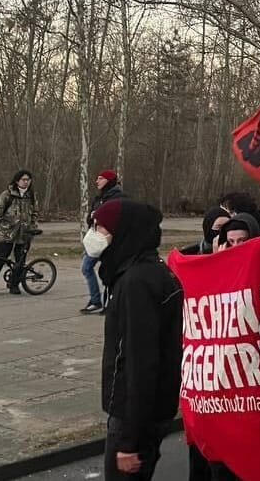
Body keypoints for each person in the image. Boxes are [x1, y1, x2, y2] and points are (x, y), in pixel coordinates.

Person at [86, 199, 182, 480]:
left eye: (100, 227)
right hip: (147, 411)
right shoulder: (142, 272)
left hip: (135, 416)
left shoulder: (136, 283)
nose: (94, 234)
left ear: (125, 232)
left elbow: (140, 363)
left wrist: (129, 440)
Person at [80, 170, 125, 313]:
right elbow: (90, 218)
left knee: (109, 272)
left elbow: (119, 219)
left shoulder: (118, 198)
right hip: (96, 241)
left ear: (109, 180)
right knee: (86, 267)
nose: (97, 181)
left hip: (110, 242)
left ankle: (110, 303)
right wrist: (92, 217)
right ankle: (95, 300)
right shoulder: (98, 198)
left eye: (100, 178)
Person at [0, 169, 39, 296]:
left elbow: (35, 212)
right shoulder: (7, 194)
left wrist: (32, 226)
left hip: (24, 234)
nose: (26, 182)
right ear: (17, 181)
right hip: (7, 233)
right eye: (23, 179)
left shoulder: (31, 195)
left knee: (20, 262)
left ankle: (14, 284)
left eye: (28, 180)